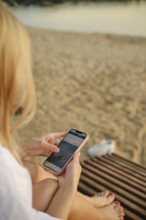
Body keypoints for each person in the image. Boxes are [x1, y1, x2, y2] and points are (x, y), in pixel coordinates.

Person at [0, 2, 125, 220]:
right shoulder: (5, 171)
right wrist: (70, 185)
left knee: (33, 170)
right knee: (51, 187)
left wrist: (22, 148)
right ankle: (103, 217)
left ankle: (91, 203)